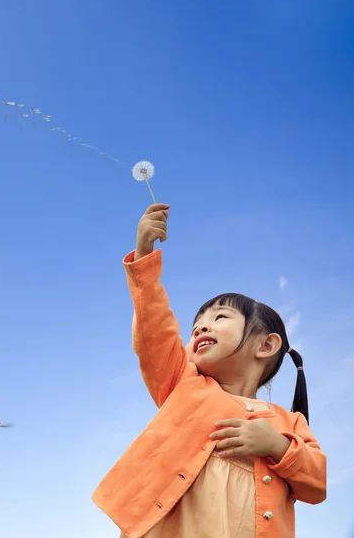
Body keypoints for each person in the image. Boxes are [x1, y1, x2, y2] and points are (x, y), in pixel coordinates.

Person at [91, 203, 326, 538]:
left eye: (219, 318)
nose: (200, 328)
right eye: (196, 325)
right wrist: (144, 257)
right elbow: (155, 333)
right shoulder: (184, 383)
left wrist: (277, 445)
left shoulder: (290, 424)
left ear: (265, 346)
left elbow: (318, 484)